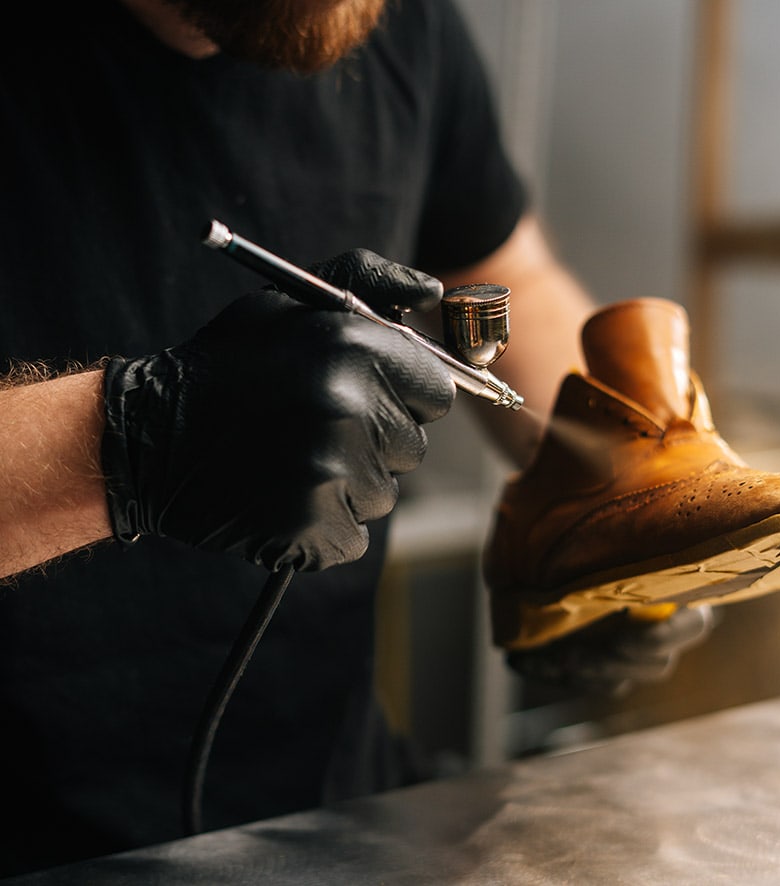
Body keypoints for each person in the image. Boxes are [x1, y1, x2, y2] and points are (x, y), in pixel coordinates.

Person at [0, 0, 716, 875]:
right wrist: (129, 437)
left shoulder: (406, 26)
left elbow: (504, 275)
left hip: (335, 810)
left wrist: (614, 500)